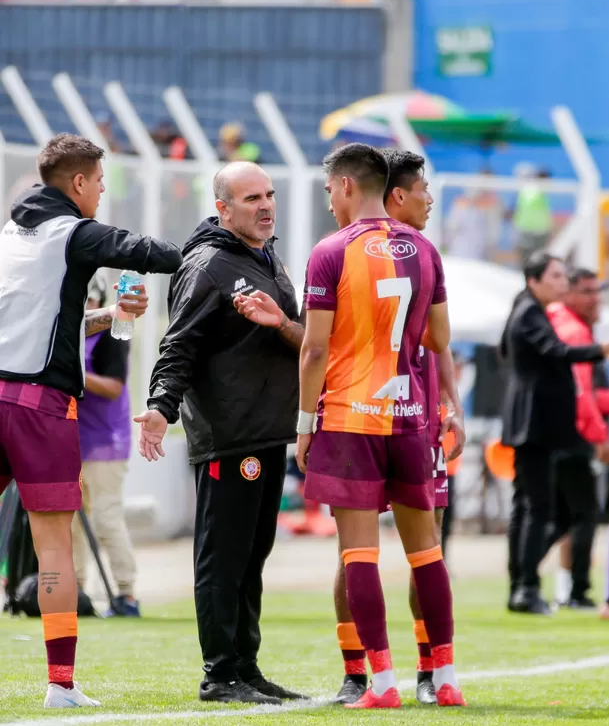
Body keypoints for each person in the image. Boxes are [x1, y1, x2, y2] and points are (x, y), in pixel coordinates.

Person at [0, 134, 182, 709]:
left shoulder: (10, 233)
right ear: (77, 183)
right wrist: (213, 245)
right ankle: (60, 685)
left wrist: (107, 314)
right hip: (43, 407)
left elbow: (52, 320)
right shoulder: (74, 233)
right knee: (54, 546)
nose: (103, 191)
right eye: (100, 181)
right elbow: (149, 252)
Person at [295, 143, 465, 709]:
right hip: (411, 417)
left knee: (358, 556)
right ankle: (444, 680)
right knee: (428, 554)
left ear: (345, 185)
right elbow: (439, 342)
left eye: (328, 190)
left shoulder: (330, 251)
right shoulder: (424, 248)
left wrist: (302, 425)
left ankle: (383, 683)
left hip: (349, 419)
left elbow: (314, 350)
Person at [135, 161, 306, 705]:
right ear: (223, 209)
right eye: (251, 197)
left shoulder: (267, 257)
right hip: (229, 435)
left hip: (266, 430)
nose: (265, 205)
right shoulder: (207, 265)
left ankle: (246, 667)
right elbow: (177, 344)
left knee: (253, 554)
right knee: (222, 555)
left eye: (270, 195)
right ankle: (220, 673)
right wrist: (160, 405)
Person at [501, 252, 609, 615]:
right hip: (537, 425)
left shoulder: (532, 311)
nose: (563, 283)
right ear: (535, 280)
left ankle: (522, 584)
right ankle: (528, 588)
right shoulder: (531, 312)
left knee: (531, 507)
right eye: (558, 276)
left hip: (533, 423)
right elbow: (557, 352)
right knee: (541, 508)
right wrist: (601, 350)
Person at [71, 272, 140, 618]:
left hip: (106, 439)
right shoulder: (68, 331)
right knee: (71, 518)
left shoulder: (112, 332)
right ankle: (77, 591)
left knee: (106, 516)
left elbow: (113, 386)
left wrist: (73, 374)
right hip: (74, 438)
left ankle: (126, 593)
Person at [545, 267, 609, 608]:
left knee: (560, 515)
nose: (594, 298)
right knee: (582, 514)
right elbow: (582, 392)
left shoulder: (562, 323)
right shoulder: (574, 330)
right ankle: (576, 591)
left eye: (596, 291)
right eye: (586, 291)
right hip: (575, 433)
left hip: (558, 431)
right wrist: (600, 435)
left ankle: (549, 585)